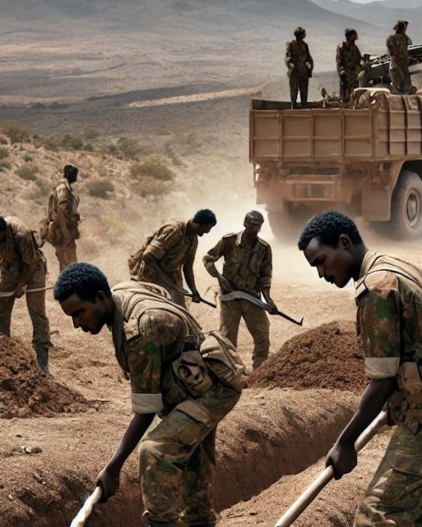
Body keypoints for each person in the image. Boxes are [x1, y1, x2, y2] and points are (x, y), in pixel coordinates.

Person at [298, 211, 422, 526]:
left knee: (377, 516)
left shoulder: (376, 287)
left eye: (322, 261)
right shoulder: (399, 267)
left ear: (344, 242)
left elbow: (380, 382)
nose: (322, 273)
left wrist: (344, 443)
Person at [55, 263, 241, 527]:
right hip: (193, 387)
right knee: (191, 467)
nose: (76, 323)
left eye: (79, 313)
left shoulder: (140, 330)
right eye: (71, 317)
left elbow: (145, 409)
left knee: (155, 450)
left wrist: (113, 468)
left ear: (100, 297)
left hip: (211, 391)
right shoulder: (120, 293)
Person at [0, 214, 52, 377]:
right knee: (0, 308)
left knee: (37, 312)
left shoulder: (21, 234)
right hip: (10, 266)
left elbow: (31, 264)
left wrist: (21, 285)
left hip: (33, 268)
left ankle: (42, 364)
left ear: (4, 232)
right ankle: (2, 355)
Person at [202, 210, 277, 369]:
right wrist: (219, 278)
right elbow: (208, 259)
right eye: (251, 226)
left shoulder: (264, 248)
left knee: (262, 334)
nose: (254, 229)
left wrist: (268, 299)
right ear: (244, 224)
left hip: (251, 297)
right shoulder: (228, 241)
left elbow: (265, 275)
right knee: (228, 337)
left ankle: (260, 369)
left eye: (258, 226)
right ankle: (230, 371)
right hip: (230, 297)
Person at [129, 209, 217, 306]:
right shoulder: (174, 229)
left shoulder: (193, 240)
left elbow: (187, 268)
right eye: (208, 228)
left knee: (180, 311)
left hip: (171, 277)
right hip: (150, 274)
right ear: (203, 225)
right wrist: (166, 281)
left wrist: (194, 291)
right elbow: (148, 256)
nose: (207, 232)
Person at [42, 163, 81, 270]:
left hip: (62, 233)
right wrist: (66, 233)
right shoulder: (63, 188)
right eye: (74, 174)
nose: (76, 177)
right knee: (70, 265)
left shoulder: (64, 187)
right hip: (63, 234)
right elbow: (61, 210)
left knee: (66, 265)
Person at [285, 26, 314, 108]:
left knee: (304, 93)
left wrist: (310, 68)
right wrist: (291, 66)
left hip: (304, 72)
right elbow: (287, 57)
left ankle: (303, 108)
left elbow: (309, 58)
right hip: (294, 72)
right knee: (293, 93)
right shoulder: (291, 43)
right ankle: (293, 108)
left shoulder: (305, 45)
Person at [386, 20, 413, 94]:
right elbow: (408, 45)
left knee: (396, 85)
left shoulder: (390, 38)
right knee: (405, 87)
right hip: (401, 65)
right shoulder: (402, 38)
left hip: (393, 64)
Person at [336, 28, 363, 103]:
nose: (355, 37)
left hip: (353, 74)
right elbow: (339, 60)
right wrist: (341, 71)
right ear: (349, 36)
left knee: (354, 92)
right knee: (344, 91)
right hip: (346, 73)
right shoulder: (342, 47)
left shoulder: (354, 47)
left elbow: (358, 59)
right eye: (354, 35)